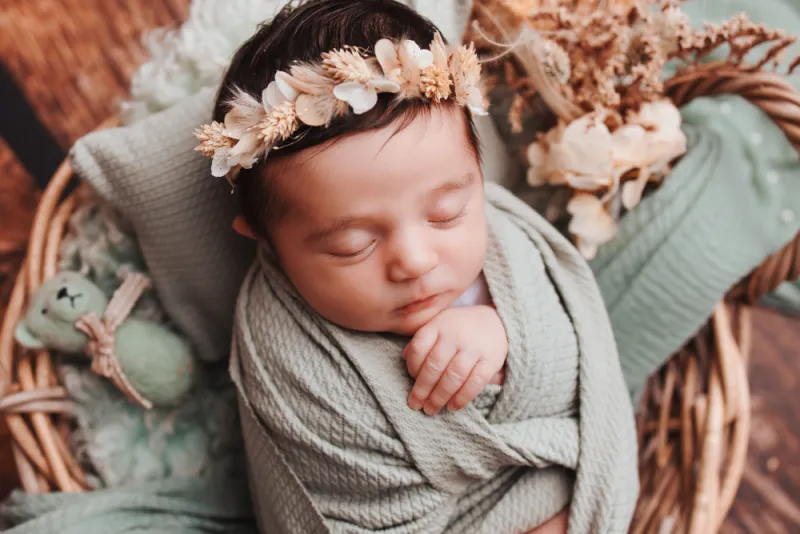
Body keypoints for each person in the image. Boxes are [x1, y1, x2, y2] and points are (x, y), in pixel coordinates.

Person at [195, 1, 638, 532]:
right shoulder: (286, 354)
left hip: (552, 479)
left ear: (479, 174)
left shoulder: (510, 247)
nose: (415, 261)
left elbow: (584, 362)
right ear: (267, 241)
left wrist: (507, 331)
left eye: (447, 213)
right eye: (354, 245)